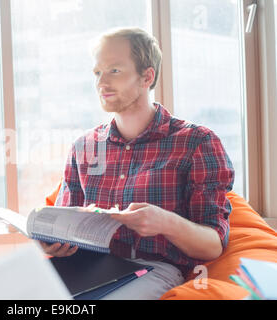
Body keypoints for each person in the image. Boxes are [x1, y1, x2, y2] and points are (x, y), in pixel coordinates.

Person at [40, 27, 235, 300]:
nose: (101, 83)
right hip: (83, 268)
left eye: (114, 71)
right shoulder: (83, 146)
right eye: (97, 73)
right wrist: (51, 242)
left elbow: (214, 245)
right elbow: (64, 224)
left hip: (153, 268)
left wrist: (166, 223)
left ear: (147, 76)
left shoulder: (196, 143)